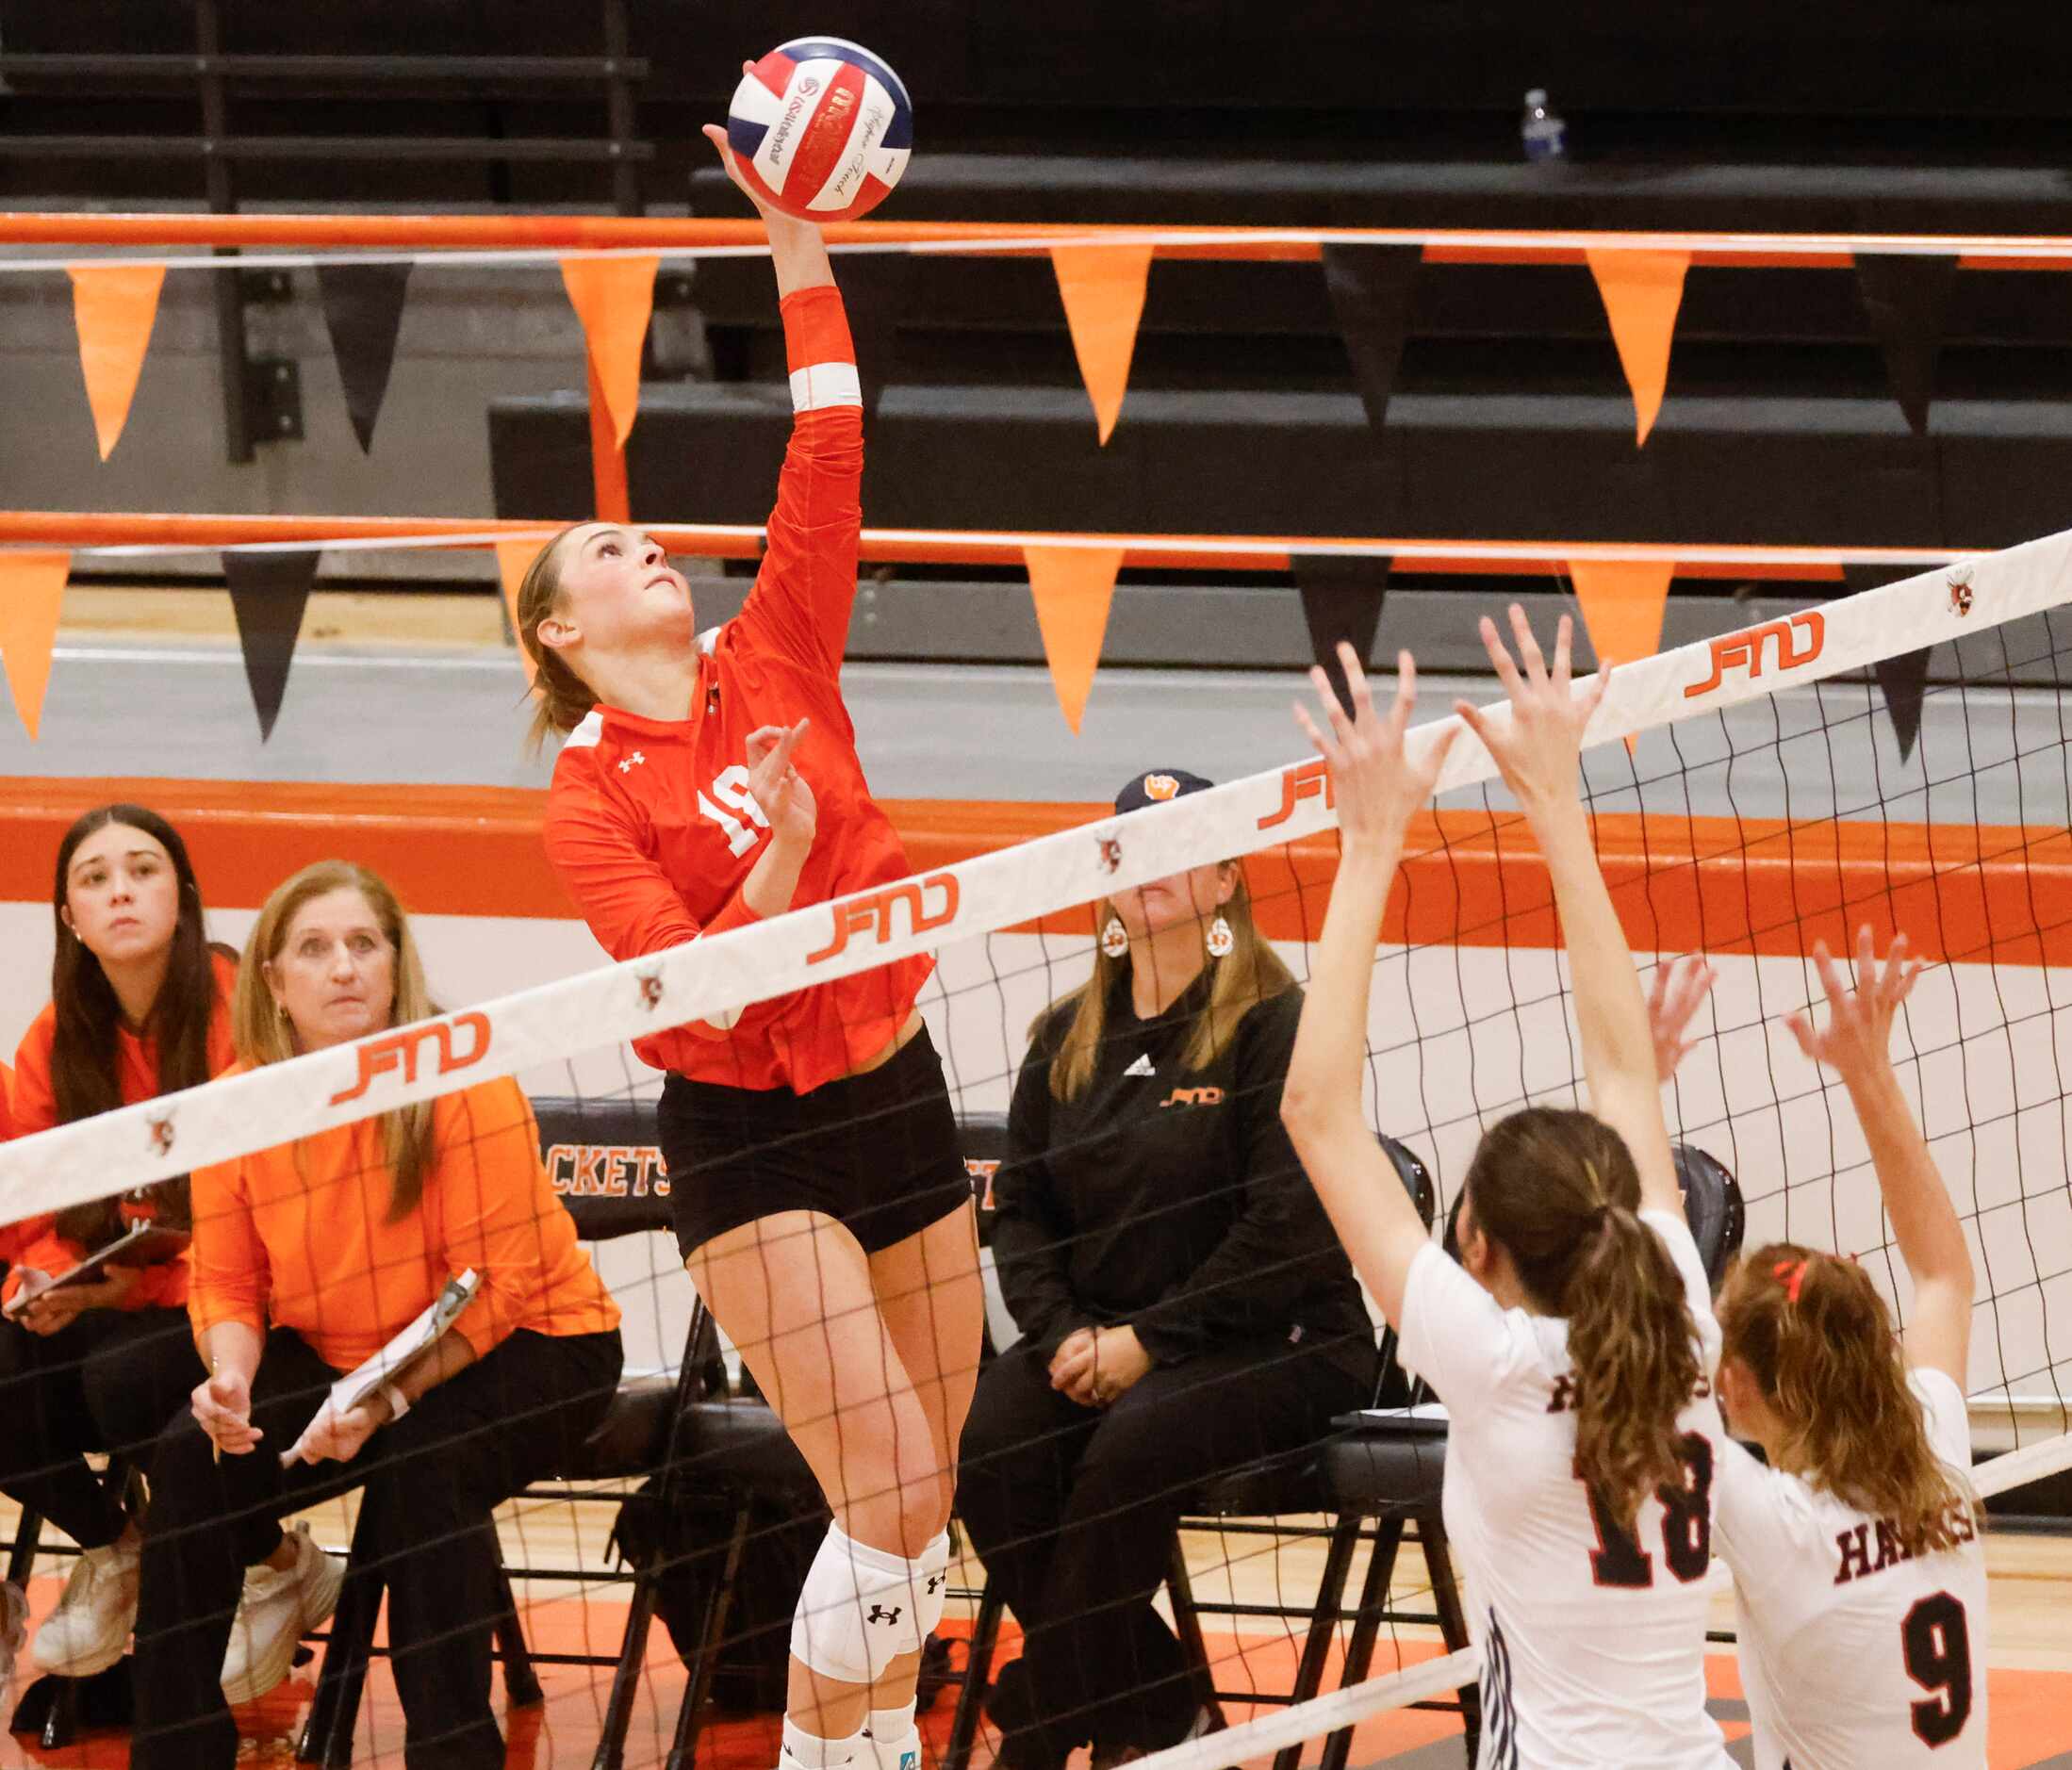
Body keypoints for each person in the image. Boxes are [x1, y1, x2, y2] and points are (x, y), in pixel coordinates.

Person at [512, 117, 980, 1770]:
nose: (648, 547)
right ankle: (811, 1753)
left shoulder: (771, 648)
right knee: (889, 1483)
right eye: (607, 552)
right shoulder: (582, 797)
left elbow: (829, 445)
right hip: (744, 1129)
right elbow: (679, 978)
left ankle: (873, 1749)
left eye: (644, 537)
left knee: (932, 1496)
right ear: (566, 634)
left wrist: (791, 237)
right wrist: (779, 855)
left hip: (891, 1086)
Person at [1278, 616, 1732, 1767]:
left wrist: (1370, 838)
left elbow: (1314, 1114)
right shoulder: (1676, 1299)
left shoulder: (1488, 1365)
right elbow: (1624, 1068)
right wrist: (1554, 801)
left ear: (1470, 1240)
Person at [129, 860, 623, 1770]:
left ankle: (452, 1753)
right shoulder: (240, 1107)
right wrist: (230, 1376)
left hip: (537, 1342)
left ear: (396, 965)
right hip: (346, 1351)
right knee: (192, 1457)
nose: (344, 967)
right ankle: (175, 1750)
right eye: (314, 950)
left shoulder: (461, 1076)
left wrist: (386, 1401)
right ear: (274, 983)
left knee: (426, 1467)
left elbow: (498, 1285)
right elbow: (229, 1284)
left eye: (364, 944)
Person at [957, 768, 1376, 1769]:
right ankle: (1156, 1712)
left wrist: (1145, 1343)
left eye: (1180, 846)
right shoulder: (1065, 1037)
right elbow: (1019, 1215)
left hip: (1281, 1343)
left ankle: (1042, 1734)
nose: (1148, 867)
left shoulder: (1276, 1024)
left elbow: (1289, 1231)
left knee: (1134, 1439)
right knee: (990, 1440)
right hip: (1104, 1339)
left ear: (1226, 878)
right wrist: (1064, 1339)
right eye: (1128, 850)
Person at [1667, 930, 1986, 1767]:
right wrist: (1868, 1072)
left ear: (1734, 1385)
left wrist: (1634, 1084)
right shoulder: (1938, 1453)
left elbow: (1646, 1361)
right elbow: (1942, 1273)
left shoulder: (1782, 1529)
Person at [0, 805, 238, 1683]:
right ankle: (120, 1548)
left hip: (236, 1295)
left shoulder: (240, 1009)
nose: (121, 892)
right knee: (13, 1364)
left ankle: (262, 1564)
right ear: (70, 919)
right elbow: (32, 1205)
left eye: (142, 870)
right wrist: (49, 1282)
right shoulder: (57, 1038)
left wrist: (125, 1293)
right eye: (94, 880)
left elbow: (270, 1214)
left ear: (184, 893)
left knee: (124, 1381)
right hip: (119, 1292)